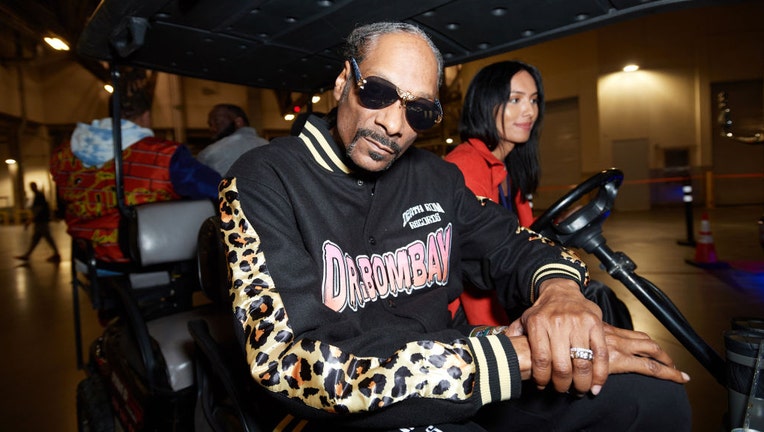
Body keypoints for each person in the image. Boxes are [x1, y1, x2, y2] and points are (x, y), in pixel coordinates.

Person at [219, 22, 691, 431]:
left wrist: (560, 295)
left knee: (650, 398)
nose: (392, 124)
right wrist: (510, 357)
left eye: (418, 111)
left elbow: (513, 243)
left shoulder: (437, 177)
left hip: (472, 377)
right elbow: (285, 363)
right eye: (377, 92)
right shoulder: (261, 179)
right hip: (351, 413)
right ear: (344, 81)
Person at [444, 60, 633, 330]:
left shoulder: (509, 167)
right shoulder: (465, 166)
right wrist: (498, 338)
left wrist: (555, 221)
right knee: (597, 298)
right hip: (478, 309)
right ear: (485, 103)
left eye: (533, 100)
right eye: (515, 100)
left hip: (507, 287)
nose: (529, 111)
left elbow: (520, 231)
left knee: (597, 295)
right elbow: (476, 259)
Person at [50, 91, 221, 263]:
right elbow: (217, 189)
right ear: (146, 116)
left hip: (87, 253)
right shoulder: (164, 154)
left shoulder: (64, 154)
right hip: (143, 255)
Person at [197, 103, 269, 175]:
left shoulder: (210, 153)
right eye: (210, 124)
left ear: (238, 122)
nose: (212, 129)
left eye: (217, 122)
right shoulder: (268, 145)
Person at [14, 181, 61, 263]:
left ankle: (56, 254)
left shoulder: (39, 196)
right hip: (40, 221)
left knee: (46, 237)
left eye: (32, 186)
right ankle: (27, 255)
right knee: (36, 239)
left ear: (35, 186)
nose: (31, 188)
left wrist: (30, 220)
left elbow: (38, 209)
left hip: (41, 221)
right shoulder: (38, 195)